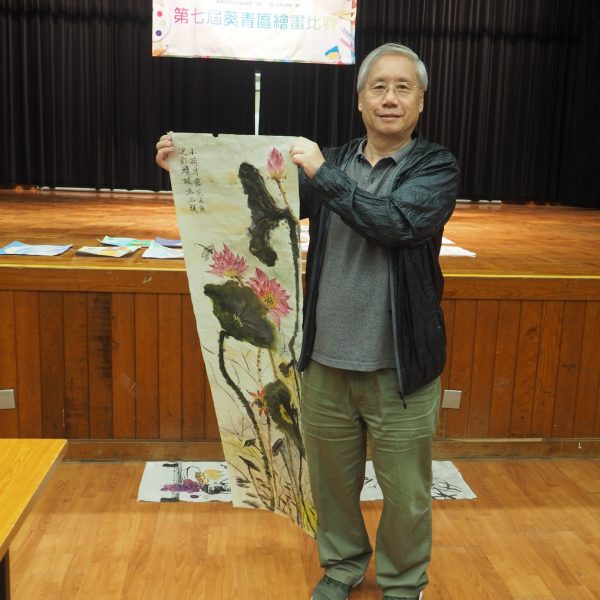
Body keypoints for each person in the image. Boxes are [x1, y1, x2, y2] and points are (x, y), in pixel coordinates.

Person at [155, 42, 458, 600]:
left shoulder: (435, 168)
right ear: (360, 100)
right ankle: (342, 567)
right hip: (322, 362)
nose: (390, 98)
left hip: (401, 368)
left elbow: (395, 223)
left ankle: (403, 583)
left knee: (408, 493)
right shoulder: (332, 162)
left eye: (403, 88)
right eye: (378, 87)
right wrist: (190, 160)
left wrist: (323, 174)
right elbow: (254, 194)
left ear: (421, 101)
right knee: (332, 486)